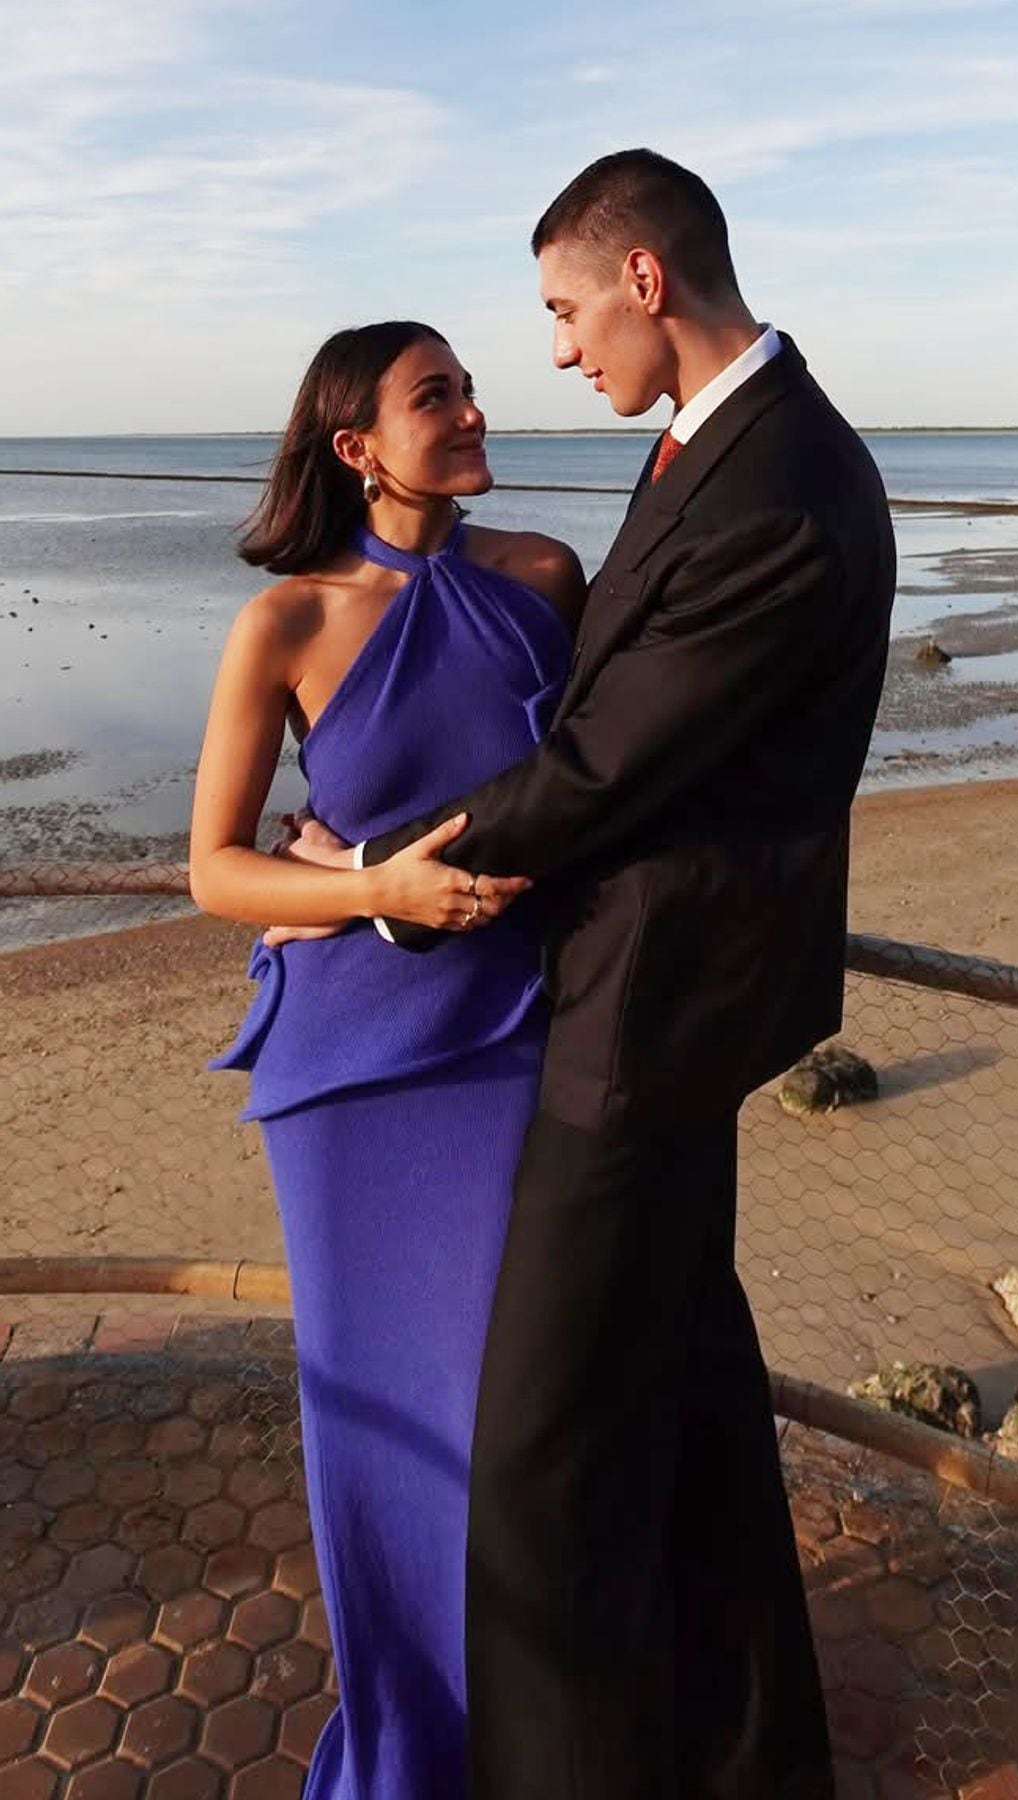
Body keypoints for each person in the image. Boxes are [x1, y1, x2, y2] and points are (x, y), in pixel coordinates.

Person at [288, 150, 897, 1797]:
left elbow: (598, 769)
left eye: (563, 312)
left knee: (537, 1472)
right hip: (660, 1003)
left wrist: (381, 887)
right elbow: (592, 731)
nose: (555, 356)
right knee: (696, 1418)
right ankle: (762, 1761)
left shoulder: (779, 482)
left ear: (643, 282)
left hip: (646, 1021)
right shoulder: (723, 445)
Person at [188, 319, 585, 1800]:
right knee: (383, 1441)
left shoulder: (543, 580)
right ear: (357, 446)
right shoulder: (285, 624)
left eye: (470, 388)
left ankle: (533, 1736)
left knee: (511, 1422)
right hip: (349, 1083)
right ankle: (413, 1752)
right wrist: (369, 886)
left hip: (511, 1052)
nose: (476, 411)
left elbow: (604, 780)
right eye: (439, 399)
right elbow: (217, 870)